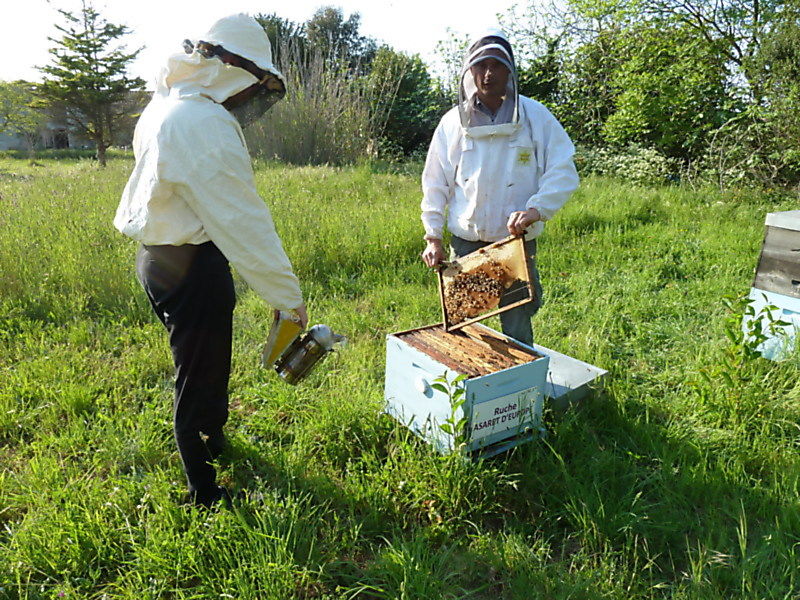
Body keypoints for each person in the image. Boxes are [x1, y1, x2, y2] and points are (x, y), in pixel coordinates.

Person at [114, 14, 307, 508]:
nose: (252, 97)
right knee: (196, 374)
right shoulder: (199, 122)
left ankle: (214, 438)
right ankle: (203, 489)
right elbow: (244, 224)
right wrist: (288, 300)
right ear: (230, 67)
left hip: (163, 259)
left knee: (208, 359)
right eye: (255, 82)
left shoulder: (166, 105)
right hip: (190, 265)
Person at [420, 28, 579, 346]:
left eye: (496, 65)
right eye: (480, 66)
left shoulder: (535, 116)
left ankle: (521, 391)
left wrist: (536, 210)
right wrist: (433, 237)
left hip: (514, 243)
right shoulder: (453, 122)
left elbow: (563, 170)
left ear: (510, 70)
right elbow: (436, 182)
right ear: (469, 71)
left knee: (517, 322)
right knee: (461, 323)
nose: (488, 74)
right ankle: (466, 389)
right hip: (466, 242)